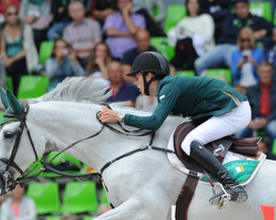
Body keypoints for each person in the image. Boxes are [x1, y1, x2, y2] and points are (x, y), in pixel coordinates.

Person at [98, 51, 250, 205]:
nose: (135, 83)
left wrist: (119, 117)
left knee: (189, 142)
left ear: (149, 76)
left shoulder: (169, 87)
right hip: (220, 111)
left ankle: (231, 184)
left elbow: (154, 123)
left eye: (137, 77)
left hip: (234, 110)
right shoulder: (166, 88)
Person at [193, 0, 273, 75]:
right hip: (222, 47)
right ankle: (202, 86)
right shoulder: (230, 17)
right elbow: (226, 31)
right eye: (237, 8)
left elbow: (273, 28)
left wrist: (264, 31)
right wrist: (251, 34)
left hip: (237, 48)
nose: (240, 10)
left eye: (243, 7)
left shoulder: (256, 19)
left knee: (236, 68)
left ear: (248, 7)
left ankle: (234, 88)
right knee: (198, 64)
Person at [238, 61, 276, 142]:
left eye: (268, 72)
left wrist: (267, 120)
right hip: (253, 119)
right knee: (238, 132)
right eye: (262, 72)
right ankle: (239, 154)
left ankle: (272, 154)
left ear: (272, 73)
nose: (265, 75)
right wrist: (249, 120)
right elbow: (245, 108)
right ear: (258, 73)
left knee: (274, 130)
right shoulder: (251, 90)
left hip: (271, 119)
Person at [0, 4, 39, 90]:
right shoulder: (2, 30)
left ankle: (15, 94)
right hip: (8, 58)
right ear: (5, 16)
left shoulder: (25, 28)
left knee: (12, 69)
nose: (13, 16)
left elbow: (27, 49)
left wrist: (12, 60)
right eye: (10, 14)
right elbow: (2, 49)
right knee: (2, 67)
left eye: (15, 13)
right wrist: (6, 59)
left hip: (22, 57)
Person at [167, 0, 215, 71]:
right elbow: (172, 32)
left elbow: (207, 37)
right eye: (191, 3)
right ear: (187, 5)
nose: (193, 6)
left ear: (199, 5)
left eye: (196, 3)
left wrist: (192, 37)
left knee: (191, 59)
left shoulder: (206, 18)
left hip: (203, 52)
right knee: (172, 62)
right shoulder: (184, 21)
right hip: (184, 52)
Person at [230, 27, 264, 94]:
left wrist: (255, 64)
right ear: (240, 40)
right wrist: (239, 67)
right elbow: (234, 76)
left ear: (252, 39)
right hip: (240, 85)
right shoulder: (235, 53)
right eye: (243, 40)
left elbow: (264, 72)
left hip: (255, 84)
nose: (246, 42)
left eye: (248, 40)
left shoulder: (259, 51)